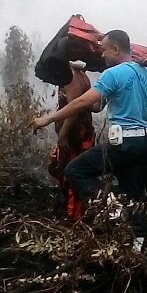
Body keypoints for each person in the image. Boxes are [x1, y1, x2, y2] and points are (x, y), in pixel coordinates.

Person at [32, 30, 147, 250]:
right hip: (145, 141)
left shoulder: (114, 74)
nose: (102, 56)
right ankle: (138, 246)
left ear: (117, 49)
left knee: (75, 171)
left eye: (104, 50)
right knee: (135, 192)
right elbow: (98, 105)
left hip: (123, 143)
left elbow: (83, 103)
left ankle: (112, 207)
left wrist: (49, 118)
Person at [47, 61, 95, 220]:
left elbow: (74, 110)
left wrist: (62, 136)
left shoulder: (72, 76)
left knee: (70, 172)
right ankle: (77, 212)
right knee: (69, 169)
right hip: (82, 132)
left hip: (75, 135)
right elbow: (92, 105)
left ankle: (74, 215)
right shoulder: (81, 75)